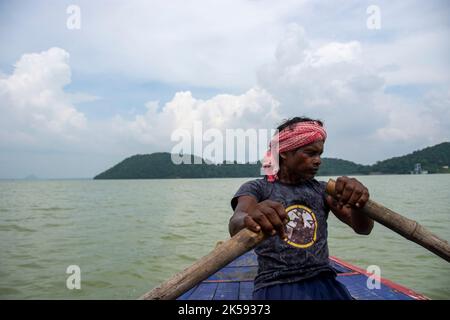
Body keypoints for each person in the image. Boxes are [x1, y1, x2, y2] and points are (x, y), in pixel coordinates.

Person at [228, 117, 374, 300]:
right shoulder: (258, 188)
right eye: (310, 153)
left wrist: (359, 202)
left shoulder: (322, 190)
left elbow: (363, 228)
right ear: (284, 153)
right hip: (277, 283)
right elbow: (236, 223)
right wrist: (250, 218)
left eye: (320, 154)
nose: (318, 161)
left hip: (323, 280)